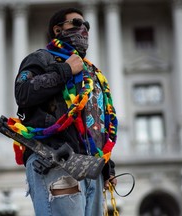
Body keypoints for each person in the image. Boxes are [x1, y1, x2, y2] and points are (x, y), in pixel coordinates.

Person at [14, 7, 118, 216]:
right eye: (77, 24)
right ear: (57, 30)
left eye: (86, 25)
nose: (84, 30)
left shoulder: (93, 73)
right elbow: (23, 92)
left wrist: (107, 166)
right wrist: (65, 70)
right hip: (54, 160)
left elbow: (95, 122)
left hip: (91, 169)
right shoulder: (41, 59)